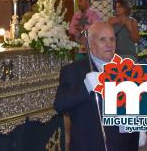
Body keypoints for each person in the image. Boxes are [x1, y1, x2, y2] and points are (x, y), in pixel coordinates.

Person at [54, 22, 139, 151]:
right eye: (102, 39)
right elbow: (60, 105)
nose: (109, 44)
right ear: (90, 43)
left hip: (121, 144)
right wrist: (85, 88)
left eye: (112, 39)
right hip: (89, 145)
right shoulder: (73, 70)